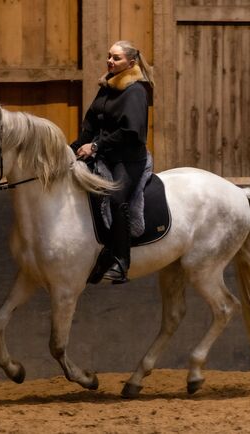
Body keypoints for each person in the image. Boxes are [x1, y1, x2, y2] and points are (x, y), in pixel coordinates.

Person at [70, 40, 154, 284]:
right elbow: (90, 125)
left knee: (117, 199)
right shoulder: (107, 87)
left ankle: (121, 261)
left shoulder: (136, 91)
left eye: (116, 58)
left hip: (127, 158)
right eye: (109, 56)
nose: (110, 61)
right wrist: (72, 149)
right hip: (104, 153)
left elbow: (131, 132)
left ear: (131, 62)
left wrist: (95, 146)